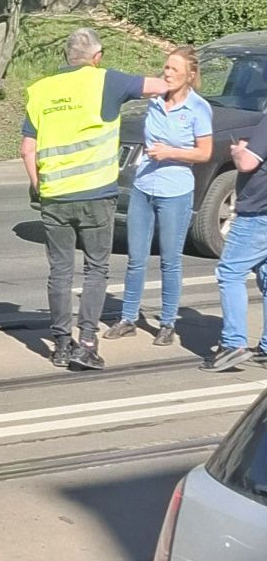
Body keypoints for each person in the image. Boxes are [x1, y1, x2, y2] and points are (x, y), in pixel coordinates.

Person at [21, 28, 167, 371]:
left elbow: (28, 148)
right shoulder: (106, 81)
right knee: (96, 268)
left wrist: (40, 186)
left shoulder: (41, 89)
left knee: (59, 270)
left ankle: (59, 344)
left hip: (55, 196)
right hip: (96, 194)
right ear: (96, 57)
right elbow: (158, 86)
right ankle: (86, 341)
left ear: (66, 57)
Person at [104, 46, 212, 347]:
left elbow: (204, 153)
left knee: (170, 260)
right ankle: (127, 317)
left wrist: (170, 153)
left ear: (190, 76)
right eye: (165, 68)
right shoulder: (154, 102)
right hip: (144, 186)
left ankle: (167, 323)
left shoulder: (198, 108)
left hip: (175, 191)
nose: (166, 74)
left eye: (174, 70)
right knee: (136, 259)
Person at [200, 116, 267, 372]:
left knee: (230, 272)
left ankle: (233, 344)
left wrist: (239, 152)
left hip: (257, 213)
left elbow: (248, 163)